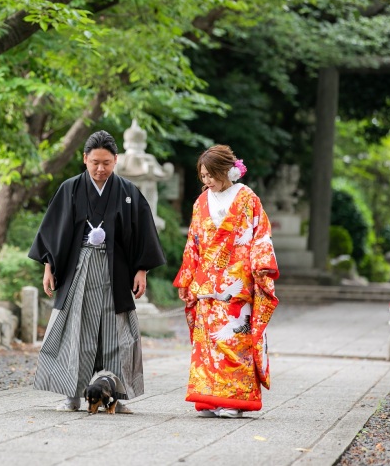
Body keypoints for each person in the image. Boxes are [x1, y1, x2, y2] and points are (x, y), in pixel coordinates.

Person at [28, 130, 166, 413]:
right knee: (75, 331)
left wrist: (141, 271)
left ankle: (114, 397)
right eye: (95, 163)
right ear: (84, 159)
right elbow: (53, 232)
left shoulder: (129, 192)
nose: (100, 169)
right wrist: (48, 267)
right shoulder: (70, 188)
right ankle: (72, 395)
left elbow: (143, 233)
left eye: (106, 162)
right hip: (78, 267)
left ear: (116, 160)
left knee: (117, 335)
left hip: (116, 270)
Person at [173, 144, 279, 418]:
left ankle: (234, 400)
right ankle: (209, 398)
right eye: (203, 176)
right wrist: (188, 276)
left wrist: (262, 266)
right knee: (207, 342)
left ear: (226, 171)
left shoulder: (247, 197)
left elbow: (260, 234)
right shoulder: (201, 202)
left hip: (237, 280)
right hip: (207, 281)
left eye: (211, 175)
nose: (207, 181)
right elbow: (193, 243)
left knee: (234, 341)